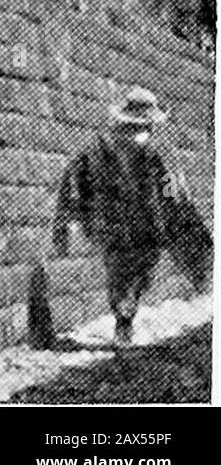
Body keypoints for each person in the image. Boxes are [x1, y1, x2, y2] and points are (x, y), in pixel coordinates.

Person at [52, 85, 212, 346]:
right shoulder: (97, 151)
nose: (141, 132)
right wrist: (64, 223)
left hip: (146, 228)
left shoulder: (157, 155)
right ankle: (123, 321)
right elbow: (72, 183)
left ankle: (125, 316)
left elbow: (172, 188)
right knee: (119, 271)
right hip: (114, 226)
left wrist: (175, 210)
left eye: (145, 126)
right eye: (136, 126)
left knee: (139, 273)